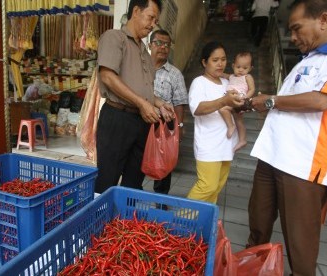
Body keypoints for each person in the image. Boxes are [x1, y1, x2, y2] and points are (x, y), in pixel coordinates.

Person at [247, 0, 327, 275]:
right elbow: (289, 104)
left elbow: (321, 100)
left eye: (296, 28)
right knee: (257, 231)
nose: (292, 37)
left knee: (301, 250)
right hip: (270, 156)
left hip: (302, 166)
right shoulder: (307, 60)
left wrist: (269, 100)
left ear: (324, 20)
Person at [94, 0, 174, 194]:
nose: (153, 24)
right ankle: (100, 221)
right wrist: (141, 104)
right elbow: (107, 76)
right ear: (136, 11)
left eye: (156, 20)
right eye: (151, 17)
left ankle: (125, 222)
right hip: (117, 118)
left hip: (140, 121)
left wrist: (160, 103)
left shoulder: (144, 53)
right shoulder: (114, 38)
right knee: (107, 178)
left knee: (134, 181)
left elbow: (144, 90)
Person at [187, 41, 244, 204]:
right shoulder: (199, 82)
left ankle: (202, 223)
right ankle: (181, 222)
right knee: (207, 187)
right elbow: (197, 109)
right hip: (208, 144)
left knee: (217, 187)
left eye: (223, 59)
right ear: (204, 62)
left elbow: (232, 106)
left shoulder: (227, 83)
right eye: (215, 60)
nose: (220, 64)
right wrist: (223, 100)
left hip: (226, 143)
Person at [149, 29, 188, 196]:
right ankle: (133, 194)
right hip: (139, 120)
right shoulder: (140, 67)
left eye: (167, 44)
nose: (163, 47)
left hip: (163, 125)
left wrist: (179, 125)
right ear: (150, 44)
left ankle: (161, 200)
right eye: (159, 43)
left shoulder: (175, 74)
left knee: (162, 166)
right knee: (135, 162)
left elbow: (179, 102)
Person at [219, 51, 255, 152]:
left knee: (223, 109)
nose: (240, 70)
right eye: (238, 67)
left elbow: (252, 89)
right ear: (233, 66)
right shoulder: (231, 76)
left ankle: (231, 125)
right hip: (232, 99)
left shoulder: (247, 77)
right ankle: (242, 140)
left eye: (245, 68)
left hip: (239, 99)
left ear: (250, 68)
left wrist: (245, 97)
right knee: (239, 120)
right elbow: (223, 75)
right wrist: (218, 73)